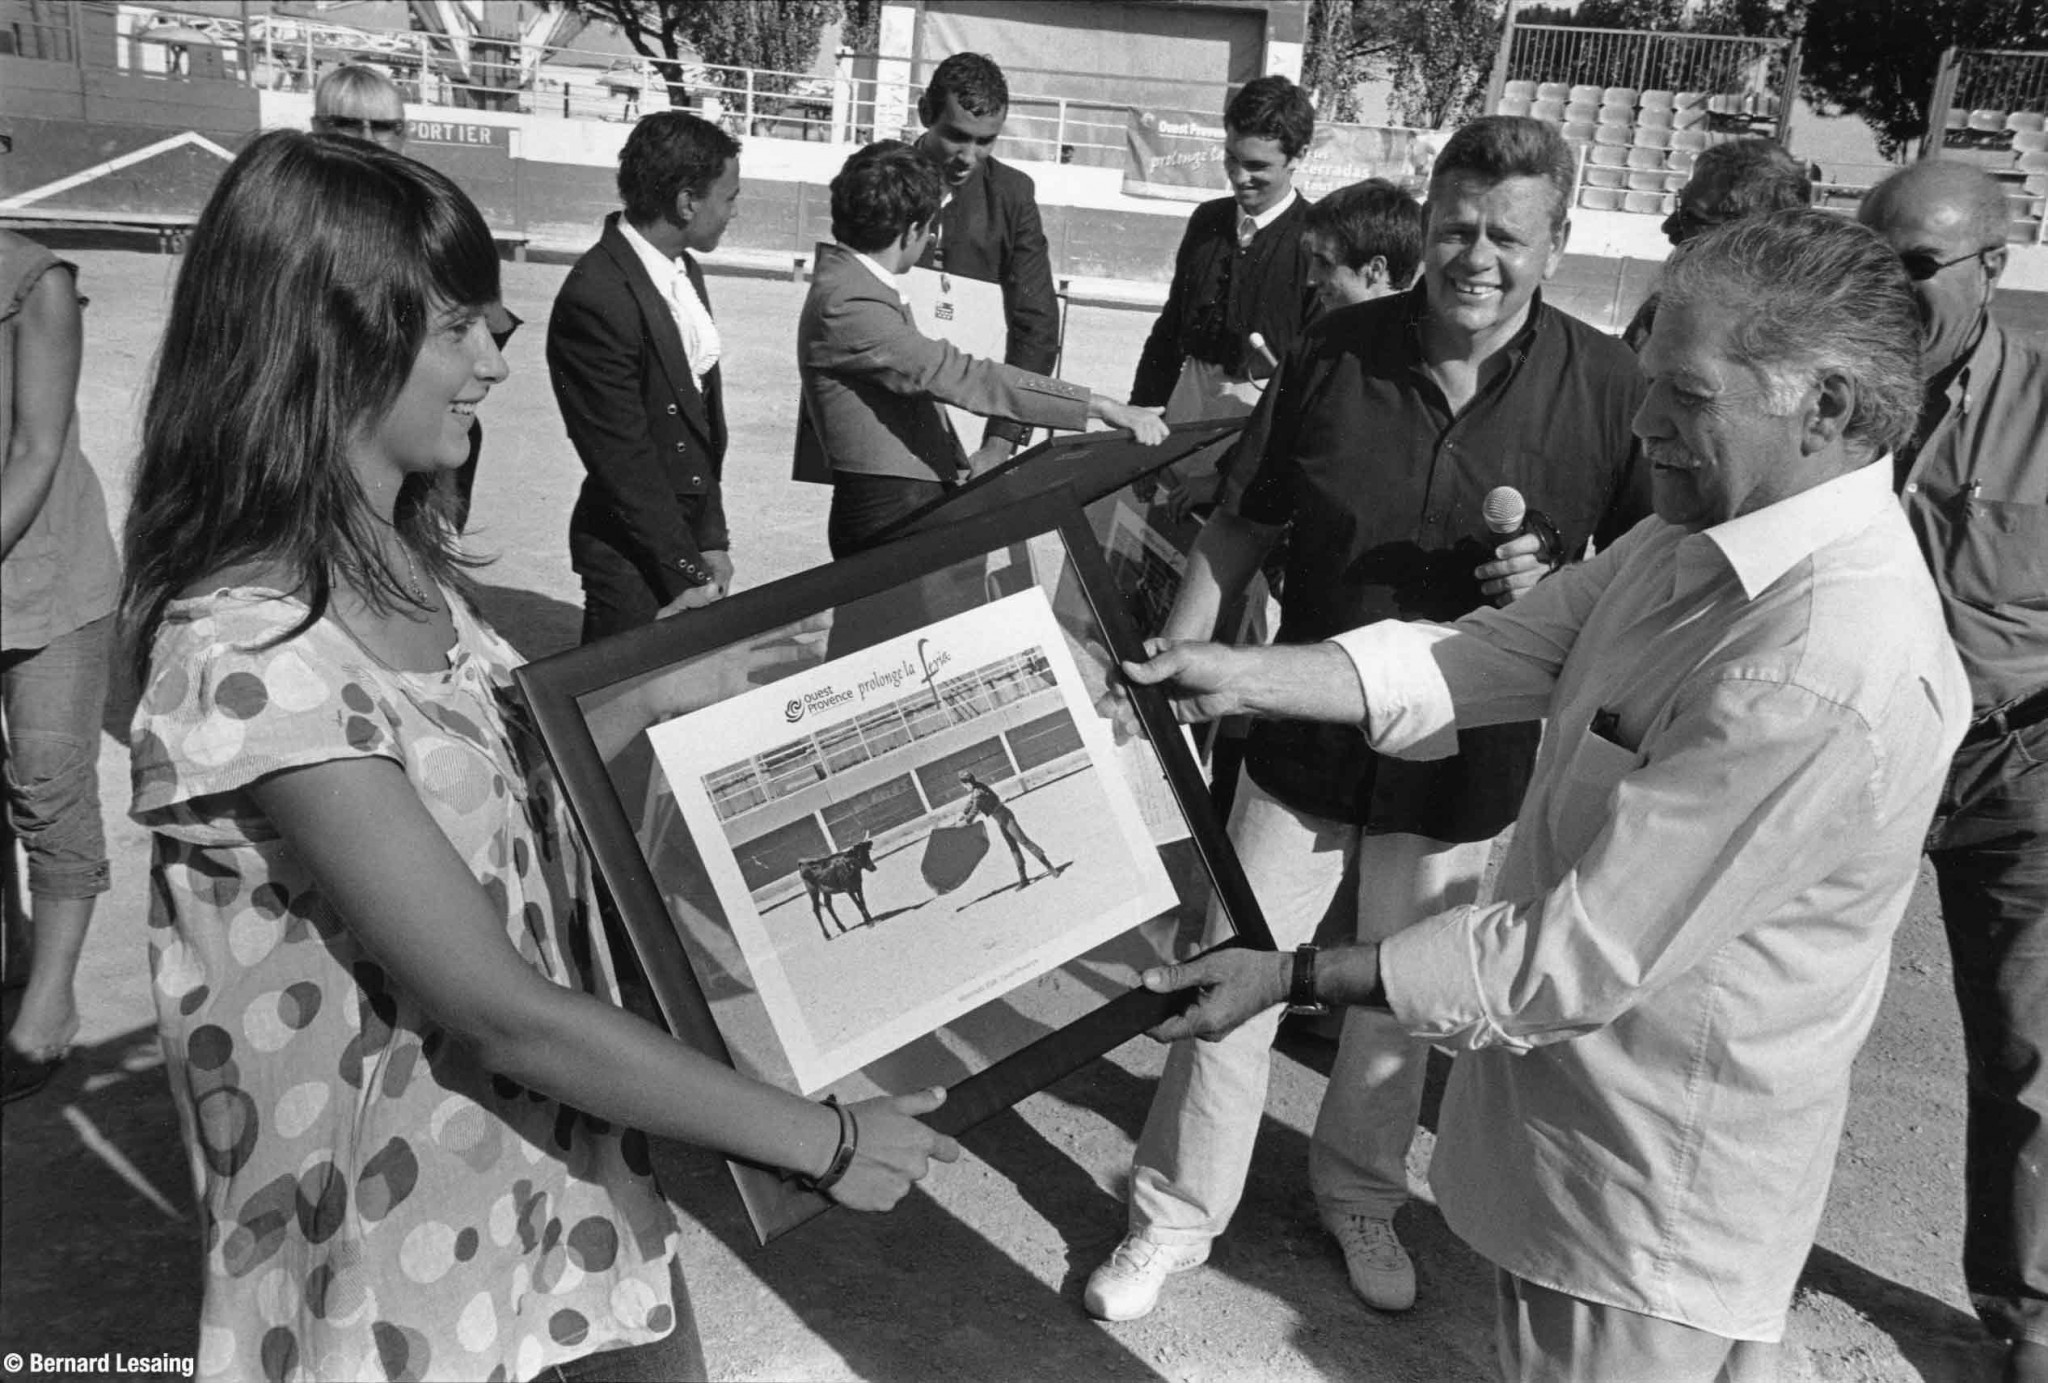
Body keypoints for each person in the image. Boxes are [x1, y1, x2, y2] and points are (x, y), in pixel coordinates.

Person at [121, 130, 957, 1383]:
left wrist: (660, 692)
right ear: (327, 345)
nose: (493, 360)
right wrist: (820, 1141)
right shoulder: (248, 656)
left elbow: (500, 788)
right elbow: (497, 1013)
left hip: (566, 1201)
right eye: (456, 328)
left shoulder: (404, 563)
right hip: (409, 1271)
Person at [1124, 207, 1969, 1382]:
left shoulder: (1815, 663)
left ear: (1822, 408)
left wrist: (1294, 974)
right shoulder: (1703, 538)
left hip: (1648, 1209)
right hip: (1577, 1160)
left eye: (1683, 394)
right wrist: (1240, 672)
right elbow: (1492, 653)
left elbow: (1566, 957)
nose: (1642, 423)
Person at [1084, 116, 1648, 1324]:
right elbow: (1241, 523)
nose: (1475, 256)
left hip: (1469, 758)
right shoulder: (1333, 348)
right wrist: (1185, 655)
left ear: (1557, 241)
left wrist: (1550, 597)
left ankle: (1359, 1195)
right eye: (1455, 226)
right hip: (1300, 734)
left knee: (1401, 995)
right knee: (1228, 968)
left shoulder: (1608, 385)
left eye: (1507, 233)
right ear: (1427, 219)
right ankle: (1171, 1214)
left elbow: (1645, 582)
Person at [1858, 159, 2048, 1383]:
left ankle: (2026, 1318)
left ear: (1993, 265)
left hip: (2012, 768)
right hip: (1851, 764)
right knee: (1779, 1020)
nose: (1888, 285)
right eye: (1872, 258)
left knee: (2031, 1051)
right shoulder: (1820, 392)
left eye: (1915, 265)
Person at [795, 141, 1165, 559]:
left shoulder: (853, 284)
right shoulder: (851, 303)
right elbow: (966, 376)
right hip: (889, 512)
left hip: (899, 501)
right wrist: (1100, 406)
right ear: (917, 230)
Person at [0, 229, 116, 1103]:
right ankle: (13, 951)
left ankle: (49, 1005)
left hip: (49, 573)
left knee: (49, 780)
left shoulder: (34, 280)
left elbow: (36, 451)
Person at [549, 111, 739, 642]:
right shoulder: (597, 295)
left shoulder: (681, 269)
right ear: (686, 202)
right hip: (632, 552)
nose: (732, 213)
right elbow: (622, 460)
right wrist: (688, 571)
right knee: (621, 714)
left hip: (677, 540)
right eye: (728, 198)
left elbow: (701, 424)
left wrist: (712, 538)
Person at [314, 61, 515, 531]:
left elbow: (490, 323)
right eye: (347, 122)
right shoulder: (297, 225)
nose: (367, 136)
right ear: (318, 127)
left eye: (384, 126)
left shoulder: (431, 218)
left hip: (422, 435)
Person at [1128, 75, 1318, 426]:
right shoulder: (1208, 219)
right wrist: (1142, 406)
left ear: (1299, 156)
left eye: (1258, 166)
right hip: (1187, 395)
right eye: (1231, 158)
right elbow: (1171, 327)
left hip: (1264, 410)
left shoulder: (1317, 237)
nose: (1239, 176)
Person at [911, 52, 1061, 475]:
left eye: (985, 141)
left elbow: (1037, 323)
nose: (968, 155)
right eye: (957, 136)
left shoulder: (1012, 195)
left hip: (976, 425)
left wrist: (1000, 441)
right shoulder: (877, 176)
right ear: (926, 112)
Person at [1621, 138, 1809, 352]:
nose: (1669, 227)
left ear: (1753, 236)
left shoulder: (1796, 338)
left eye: (1693, 217)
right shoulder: (1663, 307)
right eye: (1680, 205)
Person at [955, 770, 1059, 889]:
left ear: (967, 784)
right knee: (1013, 848)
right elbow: (970, 803)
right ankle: (1023, 878)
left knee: (1024, 841)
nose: (964, 788)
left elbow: (973, 813)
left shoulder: (978, 793)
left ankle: (1050, 868)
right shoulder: (978, 787)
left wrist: (962, 822)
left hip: (1006, 818)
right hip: (1001, 820)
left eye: (963, 785)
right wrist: (963, 812)